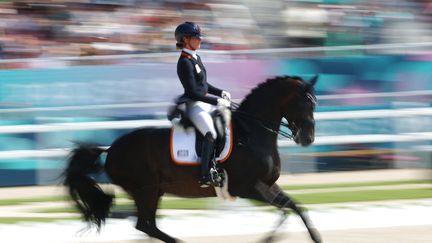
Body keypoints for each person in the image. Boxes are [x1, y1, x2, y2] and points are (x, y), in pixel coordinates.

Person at [174, 21, 231, 187]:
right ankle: (205, 174)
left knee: (228, 120)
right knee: (210, 133)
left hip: (205, 102)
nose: (200, 40)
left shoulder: (196, 57)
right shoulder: (184, 62)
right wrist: (216, 100)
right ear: (185, 39)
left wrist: (220, 93)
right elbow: (193, 92)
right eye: (196, 37)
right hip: (194, 105)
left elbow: (204, 86)